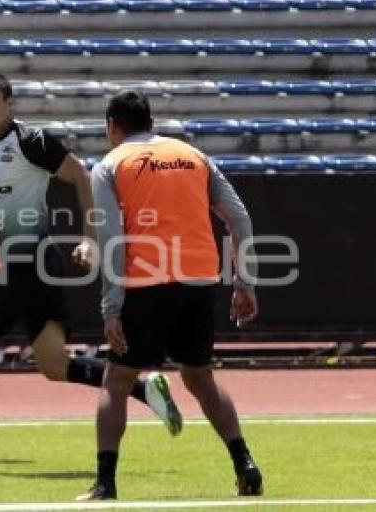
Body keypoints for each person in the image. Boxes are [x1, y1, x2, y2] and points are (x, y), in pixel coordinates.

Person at [0, 74, 183, 473]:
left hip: (28, 261)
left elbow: (80, 174)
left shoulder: (31, 141)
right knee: (54, 366)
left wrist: (91, 238)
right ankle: (142, 386)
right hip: (32, 266)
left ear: (9, 104)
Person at [78, 89, 263, 500]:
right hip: (198, 281)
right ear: (152, 122)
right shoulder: (193, 156)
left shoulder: (110, 164)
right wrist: (244, 281)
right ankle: (244, 464)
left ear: (112, 127)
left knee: (117, 379)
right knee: (201, 378)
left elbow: (111, 239)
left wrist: (111, 306)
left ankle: (105, 482)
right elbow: (239, 218)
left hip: (144, 284)